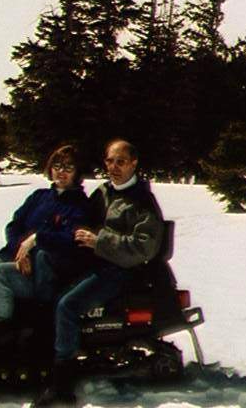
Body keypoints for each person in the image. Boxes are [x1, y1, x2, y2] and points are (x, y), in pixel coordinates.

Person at [33, 138, 164, 407]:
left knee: (67, 306)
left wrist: (99, 241)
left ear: (134, 163)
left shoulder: (141, 202)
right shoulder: (104, 192)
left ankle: (62, 386)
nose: (113, 167)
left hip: (122, 270)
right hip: (96, 263)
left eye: (120, 162)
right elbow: (81, 219)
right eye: (109, 161)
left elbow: (144, 248)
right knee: (47, 279)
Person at [0, 143, 92, 349]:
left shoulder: (80, 205)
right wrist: (21, 252)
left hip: (44, 269)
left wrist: (38, 239)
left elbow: (69, 238)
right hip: (15, 254)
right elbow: (14, 226)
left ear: (78, 172)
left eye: (69, 167)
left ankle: (3, 331)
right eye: (57, 166)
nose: (61, 172)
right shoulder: (39, 196)